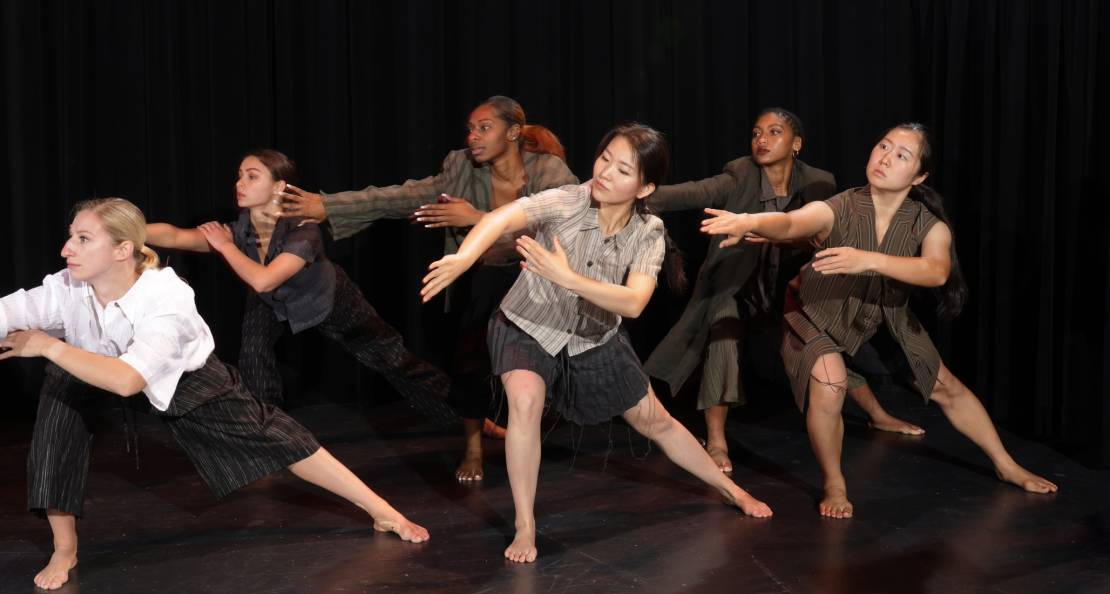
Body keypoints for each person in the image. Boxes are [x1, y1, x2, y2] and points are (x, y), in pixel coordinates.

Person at [0, 198, 429, 591]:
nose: (67, 248)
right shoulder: (62, 288)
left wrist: (48, 348)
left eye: (82, 239)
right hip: (90, 367)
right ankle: (65, 549)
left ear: (125, 249)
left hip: (184, 379)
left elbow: (128, 380)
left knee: (279, 437)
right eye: (69, 237)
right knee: (56, 416)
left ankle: (380, 509)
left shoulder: (166, 300)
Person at [422, 123, 773, 563]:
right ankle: (525, 525)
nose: (605, 172)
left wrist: (569, 278)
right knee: (525, 401)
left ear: (644, 186)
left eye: (623, 169)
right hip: (527, 323)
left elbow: (634, 303)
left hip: (594, 335)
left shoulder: (648, 232)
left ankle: (732, 490)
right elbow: (501, 218)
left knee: (655, 420)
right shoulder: (568, 199)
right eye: (605, 158)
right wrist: (464, 256)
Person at [701, 123, 1058, 518]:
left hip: (882, 315)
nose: (886, 157)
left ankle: (1006, 465)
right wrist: (750, 221)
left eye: (902, 155)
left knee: (946, 387)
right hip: (814, 312)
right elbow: (792, 222)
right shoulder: (840, 206)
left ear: (919, 176)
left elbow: (936, 271)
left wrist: (866, 259)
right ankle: (834, 482)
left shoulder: (929, 224)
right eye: (883, 146)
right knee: (831, 383)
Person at [280, 96, 579, 482]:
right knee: (472, 355)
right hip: (486, 279)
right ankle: (473, 447)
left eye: (484, 128)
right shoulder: (461, 168)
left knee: (547, 366)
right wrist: (328, 205)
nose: (473, 136)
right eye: (470, 129)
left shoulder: (547, 169)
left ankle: (537, 435)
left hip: (539, 277)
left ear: (514, 132)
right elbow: (402, 195)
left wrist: (478, 219)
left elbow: (566, 221)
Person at [643, 108, 922, 475]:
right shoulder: (739, 174)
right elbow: (693, 192)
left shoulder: (820, 182)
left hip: (787, 290)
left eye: (774, 132)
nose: (762, 140)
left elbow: (827, 235)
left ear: (796, 144)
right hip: (734, 289)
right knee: (723, 335)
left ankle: (877, 414)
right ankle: (716, 441)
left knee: (822, 346)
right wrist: (631, 192)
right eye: (757, 132)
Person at [146, 150, 461, 429]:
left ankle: (468, 416)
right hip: (271, 303)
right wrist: (125, 230)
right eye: (239, 176)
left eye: (252, 176)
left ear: (279, 186)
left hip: (328, 300)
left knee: (393, 360)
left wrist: (225, 248)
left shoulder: (303, 229)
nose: (240, 183)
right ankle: (270, 438)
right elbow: (175, 236)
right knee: (253, 355)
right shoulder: (240, 228)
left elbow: (264, 280)